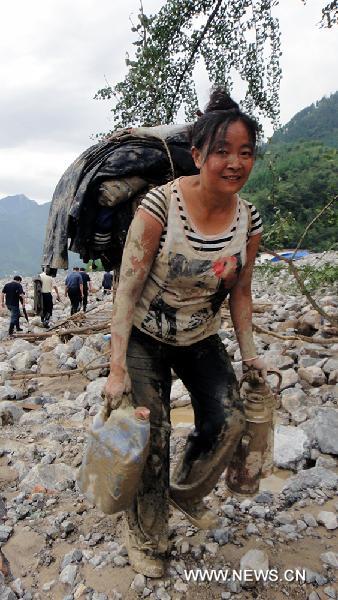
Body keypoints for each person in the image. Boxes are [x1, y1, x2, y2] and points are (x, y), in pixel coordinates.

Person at [103, 88, 266, 578]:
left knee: (229, 419)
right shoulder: (160, 207)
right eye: (221, 151)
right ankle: (146, 531)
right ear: (197, 156)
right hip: (145, 334)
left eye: (245, 152)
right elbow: (126, 291)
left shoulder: (248, 220)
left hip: (200, 334)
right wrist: (116, 370)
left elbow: (240, 292)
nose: (234, 163)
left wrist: (251, 354)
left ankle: (182, 490)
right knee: (148, 432)